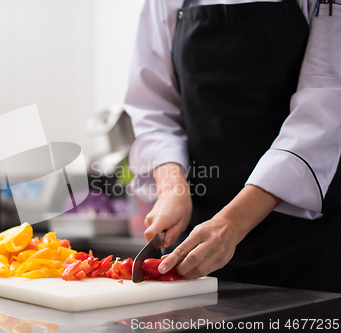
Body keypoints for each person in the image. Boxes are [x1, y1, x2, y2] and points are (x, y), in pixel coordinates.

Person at [124, 0, 341, 293]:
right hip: (195, 237)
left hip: (300, 243)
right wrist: (172, 190)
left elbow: (325, 109)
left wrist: (234, 223)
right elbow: (154, 109)